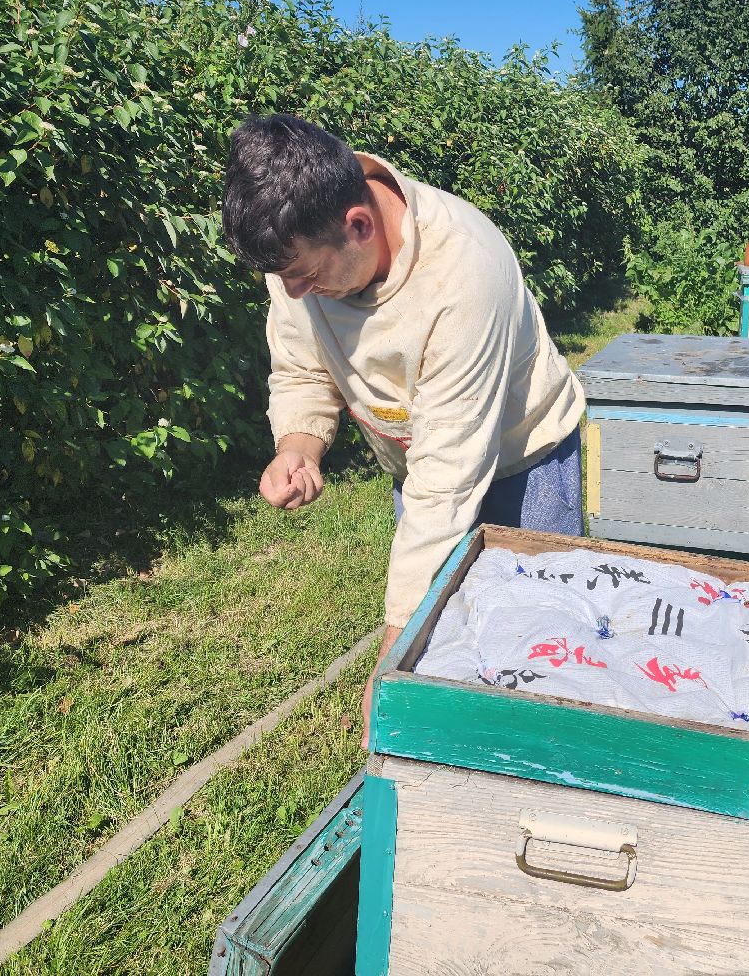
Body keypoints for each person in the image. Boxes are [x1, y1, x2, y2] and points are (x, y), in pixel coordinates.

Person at [220, 114, 585, 743]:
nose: (294, 292)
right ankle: (454, 755)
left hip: (527, 458)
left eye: (305, 276)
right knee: (444, 624)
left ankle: (535, 767)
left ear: (358, 226)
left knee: (539, 637)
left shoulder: (464, 272)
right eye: (283, 279)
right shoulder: (299, 247)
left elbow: (448, 481)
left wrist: (391, 658)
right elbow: (301, 364)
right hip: (421, 465)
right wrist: (299, 445)